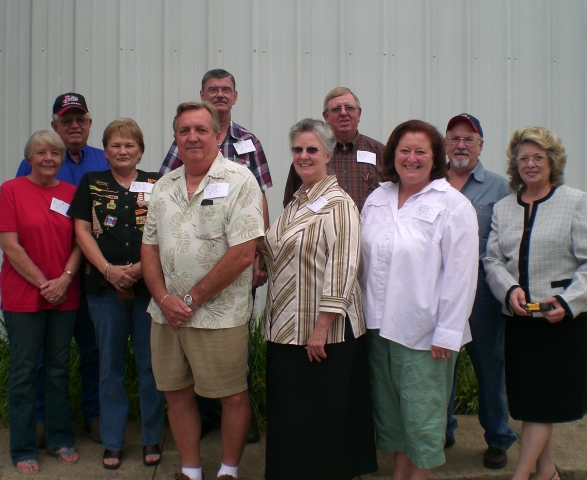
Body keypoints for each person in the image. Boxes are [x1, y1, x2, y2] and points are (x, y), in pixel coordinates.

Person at [141, 101, 264, 480]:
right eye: (184, 131)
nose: (192, 137)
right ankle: (190, 470)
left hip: (219, 316)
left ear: (217, 134)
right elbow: (149, 248)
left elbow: (244, 253)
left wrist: (190, 299)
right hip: (167, 316)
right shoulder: (163, 186)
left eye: (200, 129)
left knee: (232, 396)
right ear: (175, 138)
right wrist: (164, 299)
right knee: (176, 393)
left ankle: (228, 471)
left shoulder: (241, 180)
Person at [483, 126, 587, 480]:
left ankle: (522, 475)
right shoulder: (504, 208)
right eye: (523, 158)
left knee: (543, 405)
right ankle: (547, 472)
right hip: (520, 321)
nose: (530, 164)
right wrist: (509, 290)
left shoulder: (575, 201)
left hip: (561, 323)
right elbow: (492, 260)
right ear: (515, 164)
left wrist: (567, 301)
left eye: (538, 157)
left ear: (552, 162)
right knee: (532, 404)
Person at [360, 119, 478, 479]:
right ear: (393, 154)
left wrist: (448, 332)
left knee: (422, 416)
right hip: (377, 326)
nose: (411, 158)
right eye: (405, 150)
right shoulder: (378, 198)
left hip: (424, 333)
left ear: (435, 156)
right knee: (393, 415)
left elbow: (461, 275)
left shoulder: (453, 205)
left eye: (420, 152)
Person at [159, 68, 271, 443]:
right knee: (189, 357)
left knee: (232, 351)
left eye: (226, 89)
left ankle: (236, 417)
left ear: (235, 96)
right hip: (183, 281)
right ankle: (205, 416)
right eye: (213, 89)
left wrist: (259, 256)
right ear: (203, 95)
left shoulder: (249, 142)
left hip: (233, 267)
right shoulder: (184, 143)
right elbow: (167, 193)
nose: (220, 94)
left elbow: (261, 198)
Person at [261, 118, 377, 480]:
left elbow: (344, 266)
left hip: (324, 336)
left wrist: (321, 328)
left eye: (312, 149)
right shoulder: (297, 201)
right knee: (293, 420)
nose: (304, 155)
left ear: (328, 155)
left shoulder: (339, 204)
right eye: (298, 149)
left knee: (324, 421)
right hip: (286, 330)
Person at [69, 118, 165, 470]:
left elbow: (168, 230)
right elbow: (81, 230)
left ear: (140, 150)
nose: (123, 151)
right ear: (106, 151)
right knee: (109, 366)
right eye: (115, 145)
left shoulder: (157, 183)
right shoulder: (91, 183)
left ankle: (152, 436)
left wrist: (141, 268)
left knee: (150, 365)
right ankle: (112, 440)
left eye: (130, 145)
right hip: (103, 288)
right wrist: (108, 270)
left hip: (148, 288)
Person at [16, 92, 107, 445]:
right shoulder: (36, 163)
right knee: (44, 356)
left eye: (80, 119)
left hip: (93, 276)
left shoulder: (103, 160)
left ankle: (94, 414)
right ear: (54, 125)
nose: (74, 126)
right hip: (52, 279)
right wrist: (47, 279)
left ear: (89, 123)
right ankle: (42, 418)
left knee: (93, 350)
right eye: (66, 120)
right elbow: (23, 218)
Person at [0, 130, 82, 475]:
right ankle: (24, 447)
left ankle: (60, 438)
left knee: (58, 370)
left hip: (64, 295)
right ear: (29, 157)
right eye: (41, 152)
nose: (48, 158)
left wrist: (65, 279)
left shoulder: (70, 193)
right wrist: (44, 283)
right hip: (23, 296)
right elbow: (9, 244)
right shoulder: (11, 190)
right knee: (25, 372)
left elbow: (80, 242)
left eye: (55, 153)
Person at [443, 114, 517, 468]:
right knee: (441, 366)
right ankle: (441, 431)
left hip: (483, 296)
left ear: (480, 146)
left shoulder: (499, 188)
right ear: (445, 144)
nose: (461, 145)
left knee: (489, 367)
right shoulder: (432, 183)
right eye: (455, 138)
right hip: (440, 294)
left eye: (469, 139)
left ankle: (498, 438)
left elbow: (509, 241)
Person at [282, 87, 383, 210]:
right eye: (336, 109)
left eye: (349, 108)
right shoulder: (308, 157)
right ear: (326, 116)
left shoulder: (380, 152)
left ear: (359, 114)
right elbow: (290, 203)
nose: (343, 113)